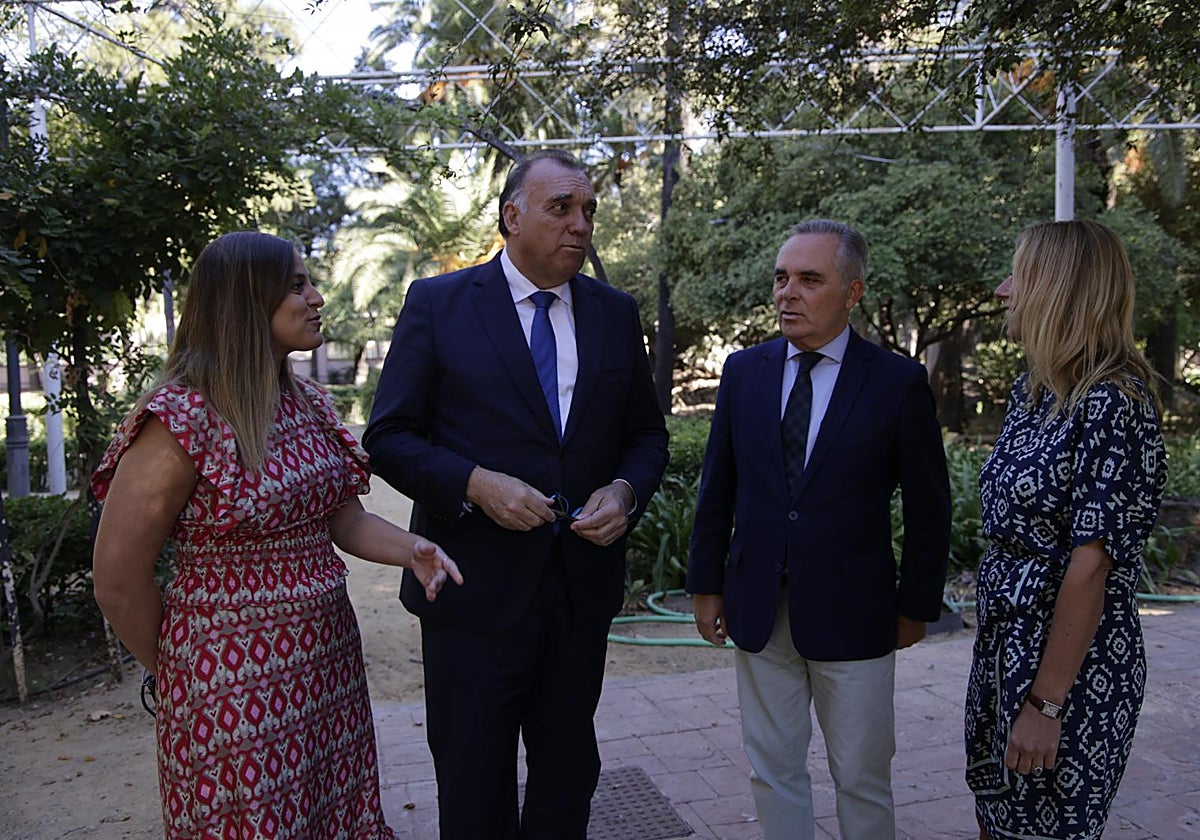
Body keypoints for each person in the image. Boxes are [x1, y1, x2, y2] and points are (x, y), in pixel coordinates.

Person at [91, 231, 463, 839]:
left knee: (330, 816)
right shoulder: (180, 420)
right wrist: (185, 675)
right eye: (295, 285)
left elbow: (344, 519)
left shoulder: (307, 404)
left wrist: (412, 550)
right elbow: (117, 582)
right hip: (231, 687)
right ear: (244, 301)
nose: (316, 297)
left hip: (326, 671)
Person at [362, 149, 669, 839]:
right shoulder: (438, 304)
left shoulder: (615, 313)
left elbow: (647, 435)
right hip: (471, 592)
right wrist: (473, 483)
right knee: (473, 787)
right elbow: (389, 437)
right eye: (562, 208)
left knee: (567, 779)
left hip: (578, 594)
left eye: (588, 210)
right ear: (512, 216)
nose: (580, 224)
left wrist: (625, 492)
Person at [686, 219, 952, 840]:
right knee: (772, 770)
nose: (788, 293)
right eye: (781, 278)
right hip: (758, 607)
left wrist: (916, 608)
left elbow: (928, 507)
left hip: (856, 614)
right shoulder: (744, 371)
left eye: (809, 279)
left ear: (853, 292)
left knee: (861, 776)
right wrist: (706, 585)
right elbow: (718, 487)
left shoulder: (896, 382)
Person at [964, 219, 1168, 840]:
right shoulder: (1034, 391)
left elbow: (1093, 564)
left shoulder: (1113, 402)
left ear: (1060, 291)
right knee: (999, 823)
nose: (1003, 291)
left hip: (1068, 669)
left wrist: (1045, 704)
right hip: (1004, 649)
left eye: (1018, 277)